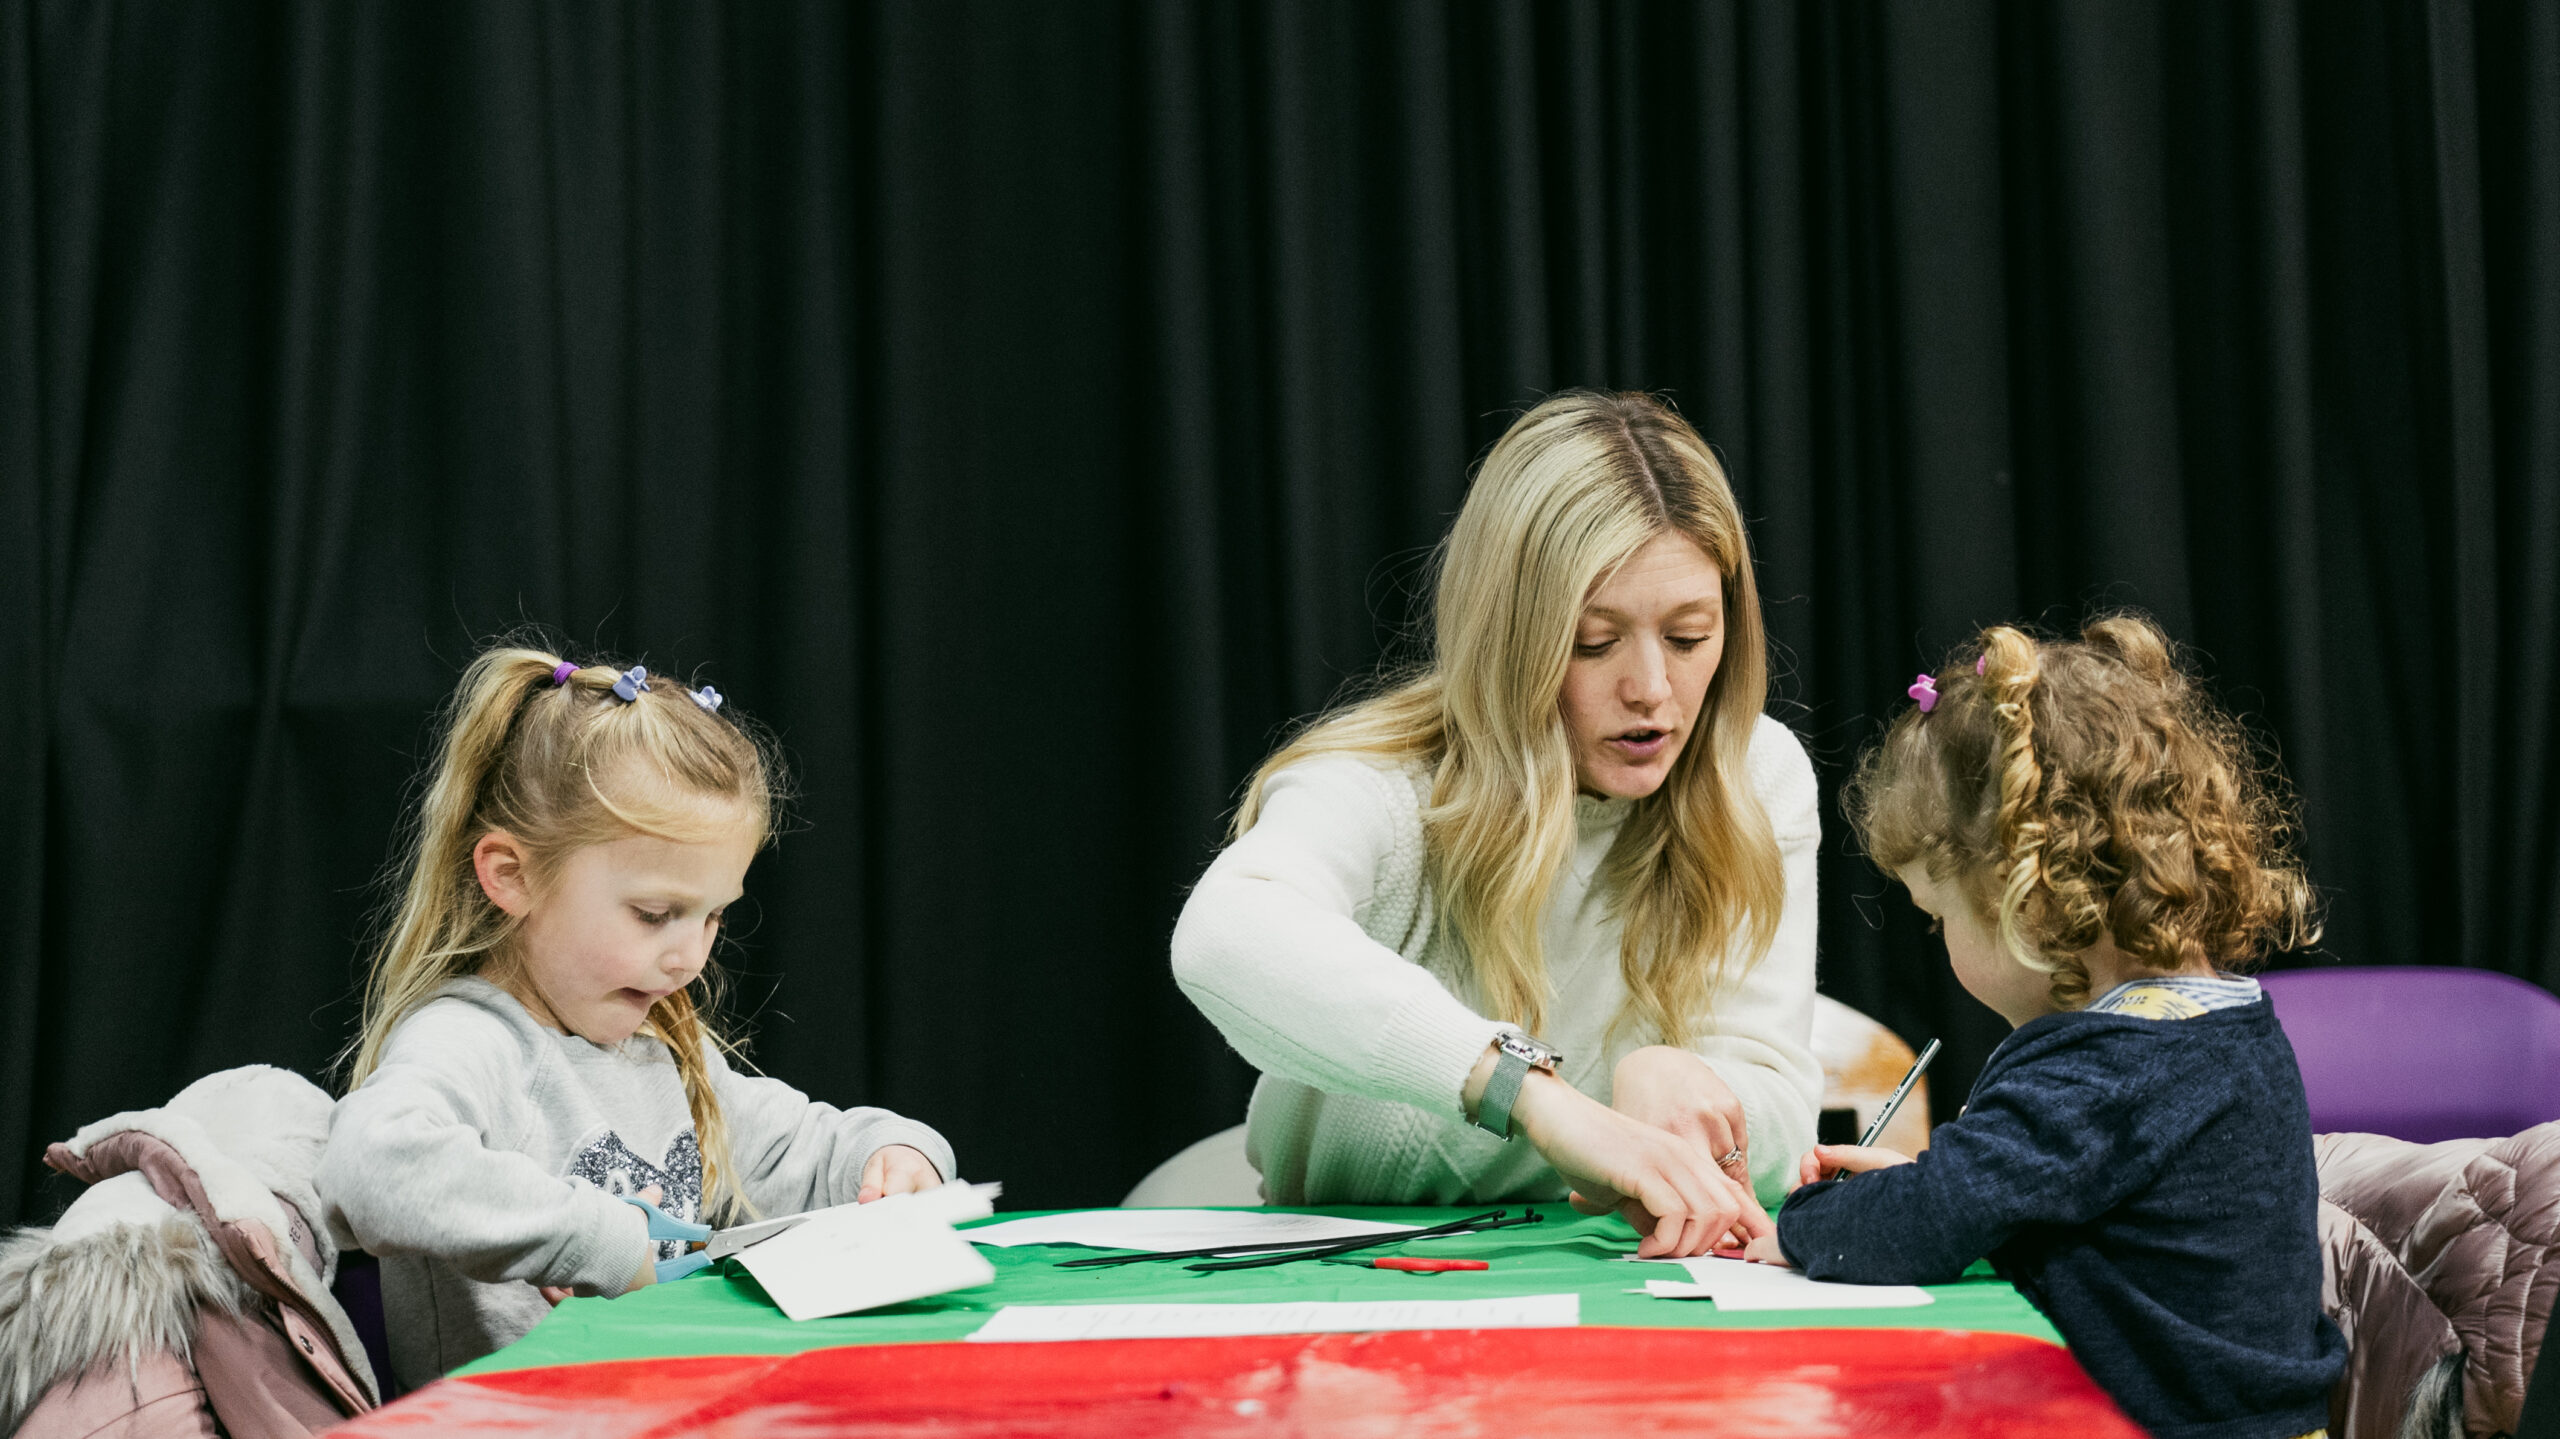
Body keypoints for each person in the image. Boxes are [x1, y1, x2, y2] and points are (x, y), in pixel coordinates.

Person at [1172, 390, 1822, 1259]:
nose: (1651, 690)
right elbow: (1224, 936)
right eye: (1593, 641)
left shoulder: (1757, 775)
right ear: (1510, 636)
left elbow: (1783, 1121)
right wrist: (1525, 1091)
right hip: (1358, 1272)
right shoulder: (1385, 786)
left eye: (1689, 636)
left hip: (1622, 1274)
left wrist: (1692, 1081)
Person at [1753, 615, 2346, 1439]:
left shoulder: (2104, 1066)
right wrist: (1936, 1184)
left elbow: (1930, 1220)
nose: (1939, 942)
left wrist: (1797, 1222)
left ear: (2026, 900)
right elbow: (2062, 1211)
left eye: (1938, 916)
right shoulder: (2228, 1026)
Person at [319, 646, 954, 1389]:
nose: (690, 957)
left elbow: (800, 1152)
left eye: (713, 916)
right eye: (655, 914)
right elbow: (369, 1165)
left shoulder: (659, 1048)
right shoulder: (470, 1040)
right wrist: (601, 1240)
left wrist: (896, 1156)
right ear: (512, 876)